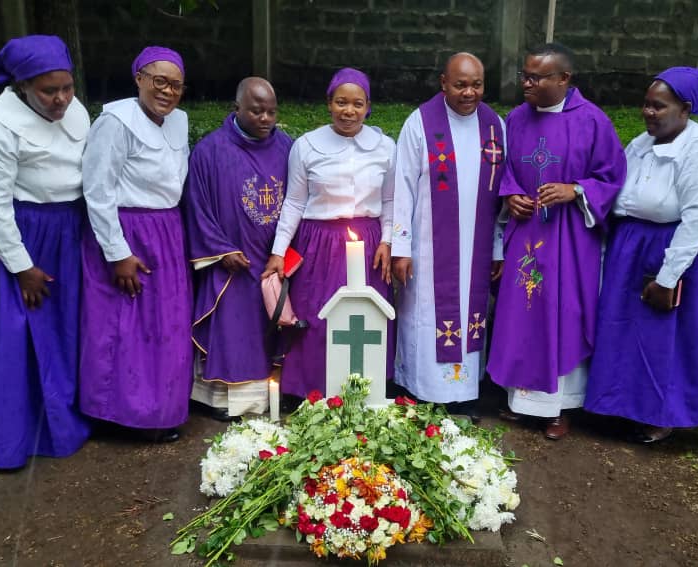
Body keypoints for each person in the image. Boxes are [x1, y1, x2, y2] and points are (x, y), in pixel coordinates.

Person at [584, 67, 698, 443]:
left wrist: (668, 277)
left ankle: (665, 415)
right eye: (646, 105)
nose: (648, 112)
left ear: (685, 108)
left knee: (670, 338)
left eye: (658, 106)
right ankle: (624, 405)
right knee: (628, 330)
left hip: (681, 250)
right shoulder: (641, 144)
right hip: (635, 246)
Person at [0, 35, 91, 469]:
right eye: (48, 91)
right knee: (15, 335)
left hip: (65, 232)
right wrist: (21, 266)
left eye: (67, 88)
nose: (61, 100)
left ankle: (61, 420)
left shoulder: (76, 112)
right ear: (21, 87)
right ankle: (8, 439)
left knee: (61, 329)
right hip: (18, 237)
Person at [488, 43, 627, 440]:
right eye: (525, 76)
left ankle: (559, 407)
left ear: (563, 79)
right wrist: (510, 195)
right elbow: (505, 170)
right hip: (527, 232)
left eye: (537, 77)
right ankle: (521, 401)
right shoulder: (514, 119)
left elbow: (612, 176)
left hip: (570, 239)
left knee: (563, 312)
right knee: (523, 312)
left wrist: (575, 190)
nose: (527, 84)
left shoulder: (593, 122)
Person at [79, 46, 192, 442]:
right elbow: (97, 190)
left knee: (165, 323)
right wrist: (118, 252)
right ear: (139, 78)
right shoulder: (114, 122)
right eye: (159, 81)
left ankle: (161, 409)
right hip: (128, 231)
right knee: (124, 325)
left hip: (166, 230)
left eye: (175, 84)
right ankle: (119, 414)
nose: (167, 91)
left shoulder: (178, 121)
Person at [263, 67, 396, 399]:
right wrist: (279, 251)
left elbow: (392, 200)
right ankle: (313, 390)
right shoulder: (307, 146)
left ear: (368, 106)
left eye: (357, 104)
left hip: (368, 244)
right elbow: (294, 201)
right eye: (341, 102)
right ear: (329, 103)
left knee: (366, 319)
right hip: (318, 243)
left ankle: (367, 390)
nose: (348, 111)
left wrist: (388, 240)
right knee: (318, 317)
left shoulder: (385, 147)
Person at [391, 53, 504, 418]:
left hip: (476, 247)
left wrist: (498, 248)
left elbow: (501, 196)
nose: (469, 92)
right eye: (460, 84)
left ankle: (465, 393)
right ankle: (423, 391)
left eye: (477, 84)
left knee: (471, 314)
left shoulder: (494, 126)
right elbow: (402, 188)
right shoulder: (421, 124)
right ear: (443, 83)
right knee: (426, 318)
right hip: (428, 247)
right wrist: (400, 246)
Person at [183, 77, 293, 420]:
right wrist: (220, 249)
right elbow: (196, 205)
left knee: (270, 326)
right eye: (257, 111)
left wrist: (286, 251)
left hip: (272, 257)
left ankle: (269, 395)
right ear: (237, 109)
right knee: (232, 327)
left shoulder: (288, 148)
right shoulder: (210, 151)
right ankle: (222, 401)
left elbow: (300, 199)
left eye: (272, 112)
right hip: (232, 259)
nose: (265, 119)